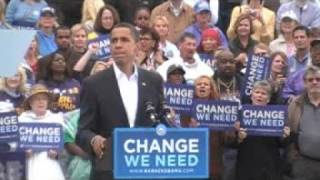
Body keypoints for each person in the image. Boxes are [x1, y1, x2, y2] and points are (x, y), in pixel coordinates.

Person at [76, 23, 166, 180]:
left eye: (124, 40)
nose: (118, 45)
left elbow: (160, 124)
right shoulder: (93, 84)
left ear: (137, 46)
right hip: (108, 171)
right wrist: (93, 140)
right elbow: (82, 132)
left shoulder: (154, 80)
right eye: (114, 41)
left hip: (146, 170)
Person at [236, 80, 290, 180]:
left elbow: (282, 144)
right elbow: (230, 143)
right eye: (257, 92)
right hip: (246, 164)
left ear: (268, 99)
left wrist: (285, 137)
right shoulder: (240, 114)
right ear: (252, 96)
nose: (259, 95)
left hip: (270, 165)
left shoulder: (278, 116)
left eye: (263, 93)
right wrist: (238, 138)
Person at [19, 84, 65, 180]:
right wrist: (22, 153)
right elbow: (14, 146)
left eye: (44, 98)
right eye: (37, 99)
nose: (40, 102)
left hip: (50, 164)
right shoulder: (21, 120)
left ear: (48, 102)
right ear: (30, 102)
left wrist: (56, 153)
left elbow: (62, 146)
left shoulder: (56, 119)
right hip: (28, 163)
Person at [287, 66, 320, 180]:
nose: (315, 82)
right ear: (305, 83)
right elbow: (288, 132)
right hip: (303, 163)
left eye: (318, 79)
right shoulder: (295, 104)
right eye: (310, 80)